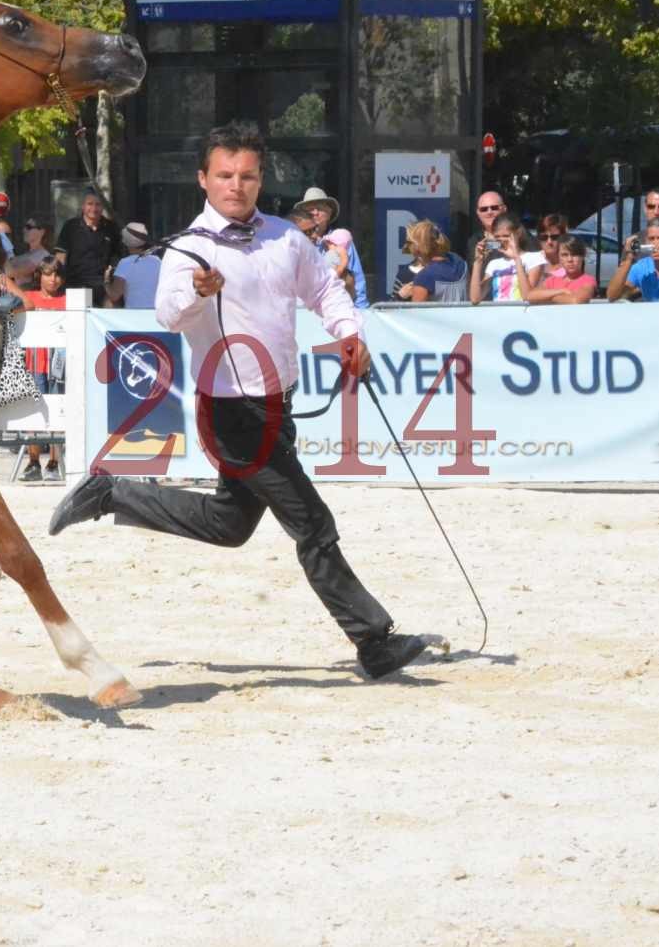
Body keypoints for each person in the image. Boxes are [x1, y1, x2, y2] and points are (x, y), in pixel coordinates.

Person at [47, 121, 429, 681]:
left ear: (260, 178)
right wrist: (196, 294)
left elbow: (324, 290)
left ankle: (113, 493)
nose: (236, 185)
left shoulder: (285, 236)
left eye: (247, 175)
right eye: (225, 175)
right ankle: (373, 640)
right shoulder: (190, 248)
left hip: (278, 403)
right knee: (313, 525)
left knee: (230, 523)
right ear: (204, 179)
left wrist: (349, 332)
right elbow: (168, 315)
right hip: (229, 410)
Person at [17, 257, 66, 482]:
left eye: (56, 274)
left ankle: (54, 462)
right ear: (40, 276)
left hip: (59, 365)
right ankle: (33, 462)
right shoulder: (30, 299)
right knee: (33, 412)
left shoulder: (67, 301)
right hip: (34, 362)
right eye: (47, 274)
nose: (52, 279)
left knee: (58, 413)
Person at [288, 187, 368, 308]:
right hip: (302, 314)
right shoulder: (293, 241)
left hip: (337, 309)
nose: (315, 213)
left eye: (319, 208)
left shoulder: (342, 241)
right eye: (309, 209)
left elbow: (358, 284)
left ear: (329, 213)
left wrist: (362, 312)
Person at [56, 191, 120, 306]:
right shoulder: (71, 226)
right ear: (83, 206)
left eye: (98, 204)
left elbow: (117, 255)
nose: (94, 208)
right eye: (90, 204)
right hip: (76, 283)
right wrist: (59, 279)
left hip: (102, 284)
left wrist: (110, 278)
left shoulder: (111, 227)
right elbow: (60, 256)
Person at [469, 213, 539, 302]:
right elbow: (475, 299)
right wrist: (478, 262)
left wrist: (516, 258)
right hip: (499, 314)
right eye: (497, 237)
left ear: (518, 233)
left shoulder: (534, 258)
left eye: (506, 236)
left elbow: (528, 295)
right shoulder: (494, 264)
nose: (502, 240)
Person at [396, 221, 467, 303]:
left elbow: (416, 314)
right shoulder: (460, 262)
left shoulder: (423, 278)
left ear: (418, 250)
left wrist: (400, 297)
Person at [520, 237, 594, 305]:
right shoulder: (552, 280)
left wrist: (547, 297)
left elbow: (576, 301)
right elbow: (530, 296)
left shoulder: (587, 280)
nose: (570, 259)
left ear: (582, 256)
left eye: (575, 255)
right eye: (564, 255)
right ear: (558, 257)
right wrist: (561, 291)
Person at [105, 222, 161, 308]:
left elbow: (114, 296)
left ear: (125, 242)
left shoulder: (125, 263)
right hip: (154, 315)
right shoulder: (157, 261)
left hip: (133, 316)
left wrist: (106, 280)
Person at [606, 218, 659, 302]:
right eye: (651, 239)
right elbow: (612, 296)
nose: (656, 244)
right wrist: (629, 259)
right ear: (646, 241)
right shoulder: (642, 266)